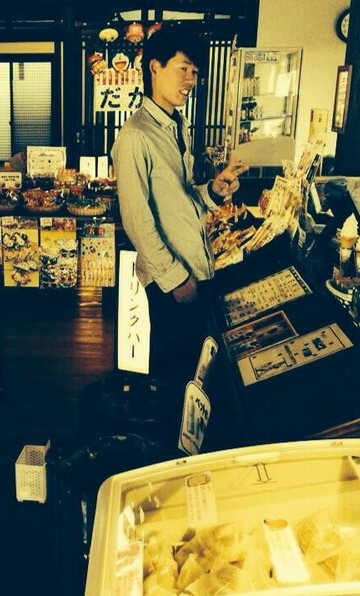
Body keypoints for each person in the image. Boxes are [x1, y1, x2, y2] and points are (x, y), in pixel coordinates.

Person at [111, 26, 247, 381]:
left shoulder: (177, 126)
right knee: (174, 373)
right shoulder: (136, 136)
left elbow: (179, 198)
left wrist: (214, 190)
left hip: (195, 268)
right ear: (155, 67)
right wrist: (175, 279)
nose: (191, 80)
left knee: (194, 373)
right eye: (183, 68)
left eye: (195, 72)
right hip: (172, 280)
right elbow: (136, 219)